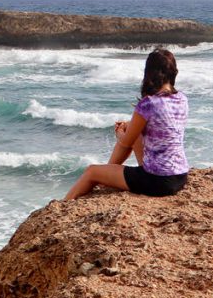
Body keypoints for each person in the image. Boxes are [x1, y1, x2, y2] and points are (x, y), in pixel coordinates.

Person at [64, 48, 189, 201]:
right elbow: (161, 126)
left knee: (91, 171)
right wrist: (129, 126)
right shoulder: (182, 98)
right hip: (180, 176)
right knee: (131, 128)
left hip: (157, 181)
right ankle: (108, 175)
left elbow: (126, 141)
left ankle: (64, 203)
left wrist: (119, 132)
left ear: (150, 73)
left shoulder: (148, 103)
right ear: (173, 72)